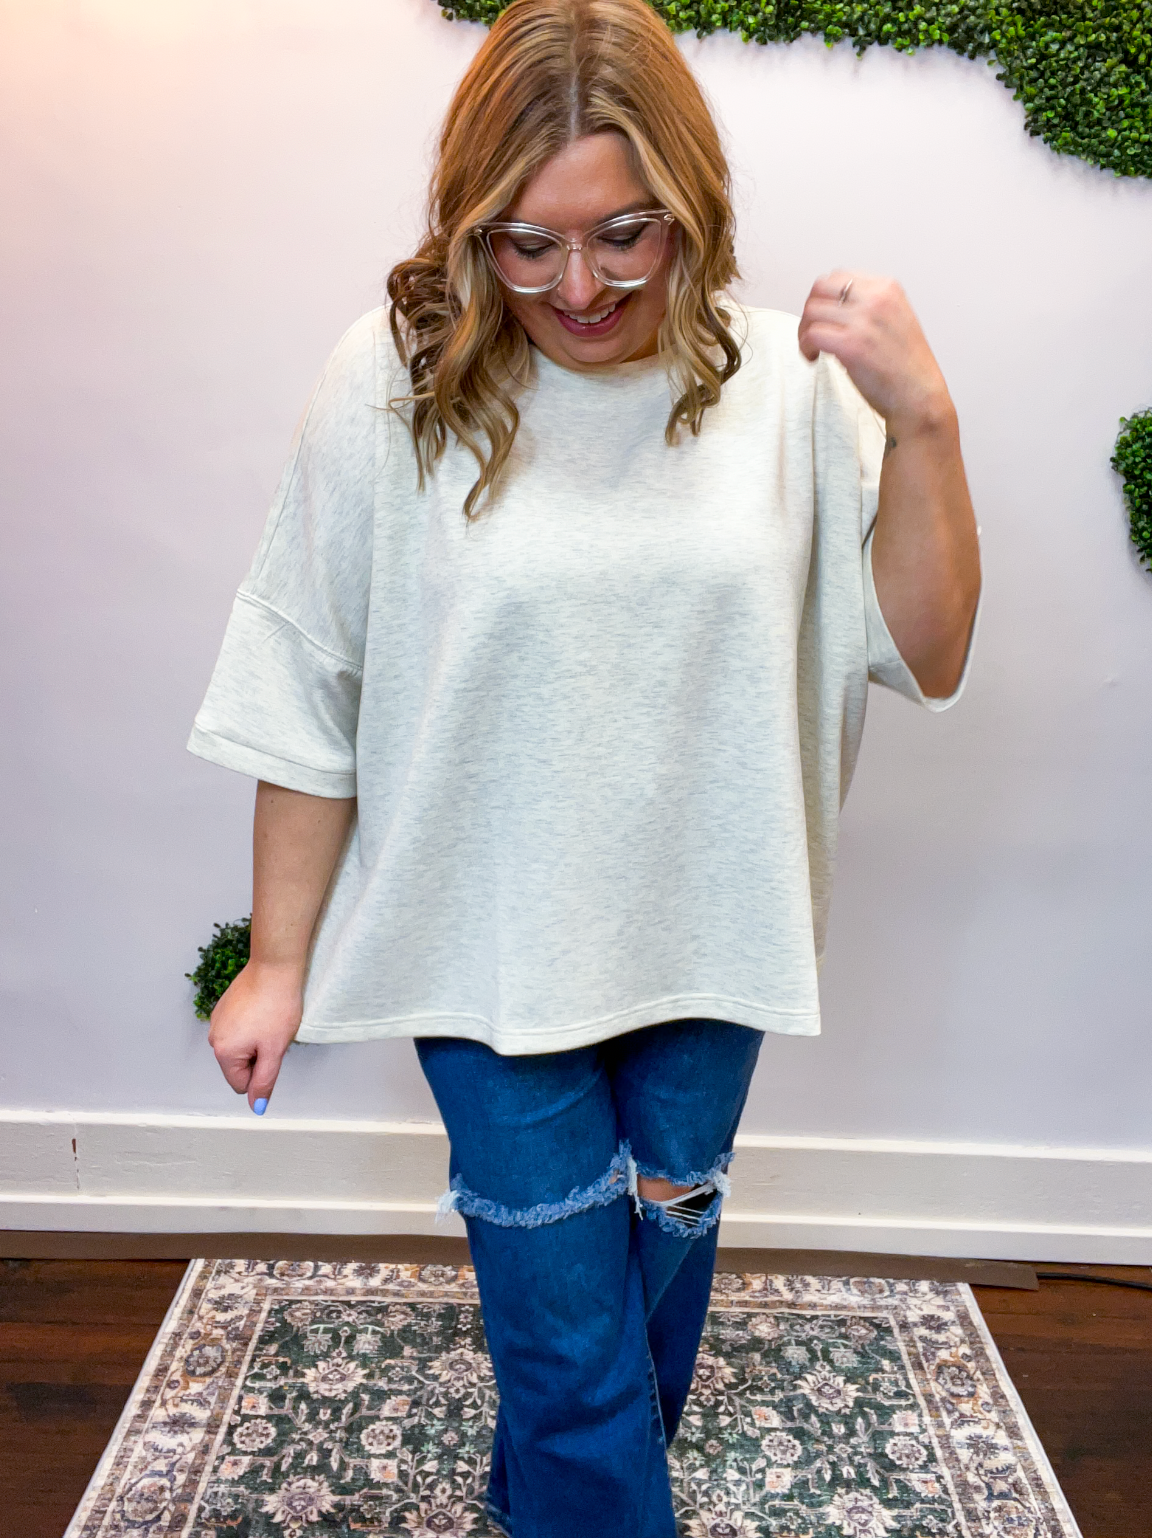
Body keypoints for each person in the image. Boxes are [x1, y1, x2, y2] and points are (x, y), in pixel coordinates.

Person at [187, 0, 981, 1532]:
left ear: (690, 201)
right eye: (524, 244)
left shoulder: (792, 383)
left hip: (714, 940)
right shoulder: (393, 378)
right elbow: (307, 669)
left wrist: (928, 420)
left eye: (624, 235)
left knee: (638, 1310)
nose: (577, 287)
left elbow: (929, 652)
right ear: (471, 226)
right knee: (568, 1346)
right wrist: (276, 961)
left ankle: (543, 1491)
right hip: (483, 947)